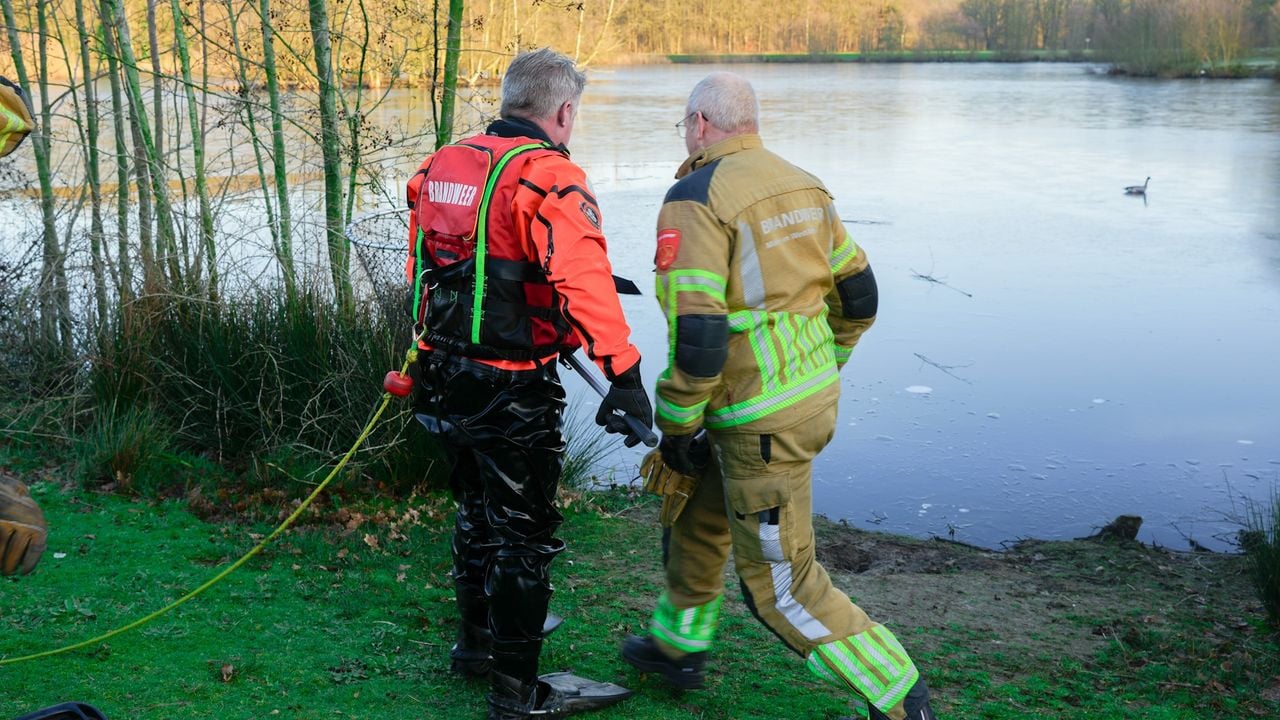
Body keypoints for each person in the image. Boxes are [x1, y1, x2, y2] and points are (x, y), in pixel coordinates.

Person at [620, 73, 938, 720]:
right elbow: (861, 296)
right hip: (796, 401)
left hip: (755, 418)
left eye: (684, 125)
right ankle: (677, 647)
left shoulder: (695, 197)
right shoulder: (804, 184)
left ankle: (899, 696)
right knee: (698, 515)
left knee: (782, 586)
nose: (684, 135)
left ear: (701, 124)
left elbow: (701, 330)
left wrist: (677, 426)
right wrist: (826, 359)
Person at [404, 48, 650, 720]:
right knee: (523, 535)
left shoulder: (441, 166)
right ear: (564, 111)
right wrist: (623, 376)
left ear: (509, 99)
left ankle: (478, 644)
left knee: (475, 512)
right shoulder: (549, 177)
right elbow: (584, 280)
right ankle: (517, 696)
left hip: (441, 370)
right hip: (511, 387)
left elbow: (426, 265)